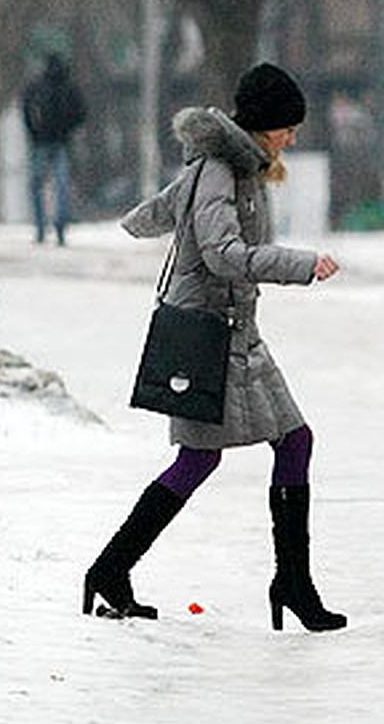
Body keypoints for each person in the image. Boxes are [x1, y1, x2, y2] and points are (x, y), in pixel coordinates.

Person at [83, 62, 346, 632]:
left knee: (290, 441)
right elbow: (225, 252)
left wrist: (137, 220)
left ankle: (292, 583)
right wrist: (301, 264)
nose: (292, 139)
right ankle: (110, 568)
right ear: (263, 125)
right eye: (287, 128)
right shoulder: (222, 170)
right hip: (209, 336)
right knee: (205, 457)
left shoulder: (231, 167)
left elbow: (166, 207)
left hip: (235, 332)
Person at [22, 52, 86, 245]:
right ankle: (59, 227)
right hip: (61, 143)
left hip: (41, 142)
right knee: (62, 187)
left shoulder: (38, 87)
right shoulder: (69, 87)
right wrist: (67, 131)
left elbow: (26, 108)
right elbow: (81, 113)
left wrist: (33, 133)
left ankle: (41, 228)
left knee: (37, 187)